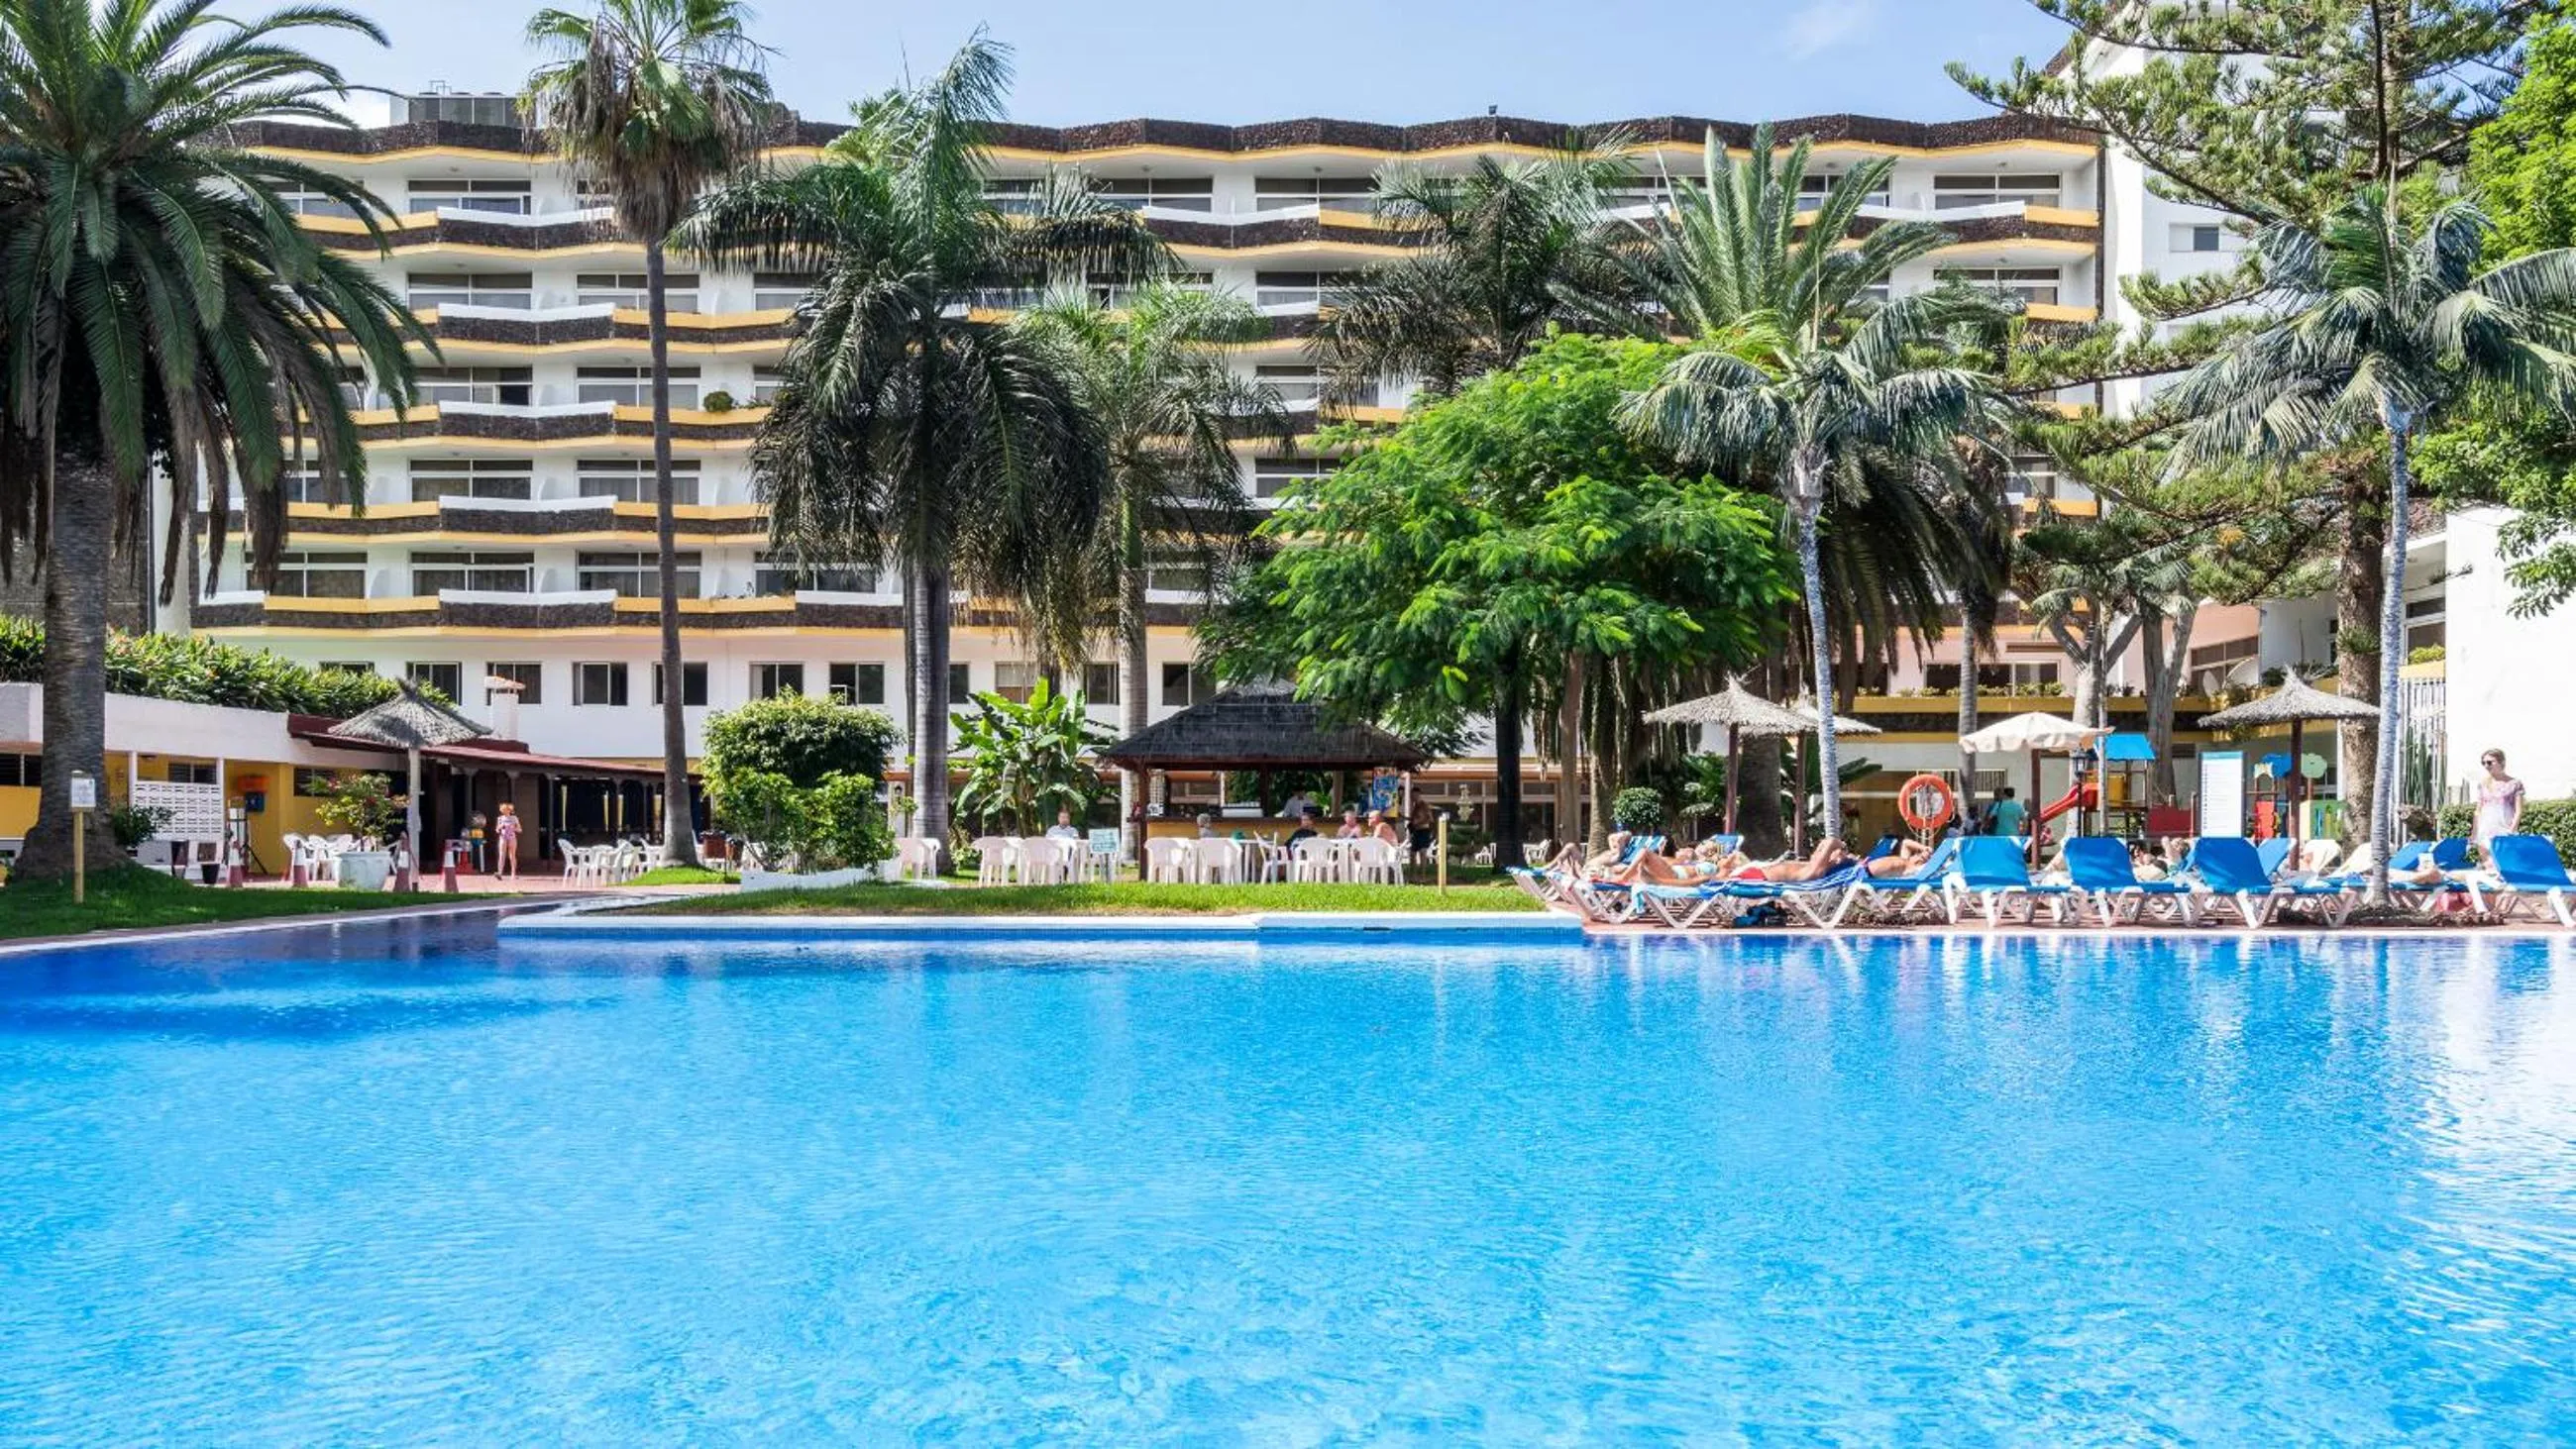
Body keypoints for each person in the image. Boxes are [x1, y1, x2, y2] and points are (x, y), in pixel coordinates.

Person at [2473, 749, 2525, 861]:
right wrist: (2474, 833)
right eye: (2483, 763)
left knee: (2505, 865)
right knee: (2488, 867)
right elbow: (2478, 810)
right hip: (2485, 831)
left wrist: (2512, 830)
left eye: (2490, 762)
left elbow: (2519, 810)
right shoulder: (2483, 784)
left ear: (2502, 762)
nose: (2486, 765)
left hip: (2505, 830)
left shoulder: (2515, 784)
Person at [493, 801, 521, 880]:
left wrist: (513, 828)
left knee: (512, 856)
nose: (505, 811)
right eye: (503, 810)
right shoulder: (500, 818)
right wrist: (500, 827)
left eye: (506, 810)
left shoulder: (514, 818)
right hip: (503, 837)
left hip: (512, 838)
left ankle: (513, 874)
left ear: (509, 810)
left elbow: (520, 829)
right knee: (502, 855)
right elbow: (497, 830)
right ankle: (500, 873)